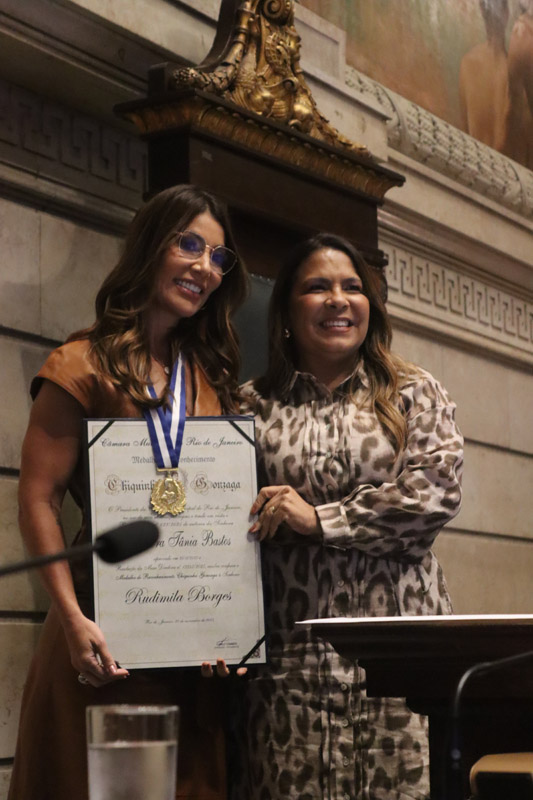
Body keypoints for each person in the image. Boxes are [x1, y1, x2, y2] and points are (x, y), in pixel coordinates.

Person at [9, 184, 248, 800]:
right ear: (150, 245)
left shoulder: (210, 380)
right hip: (99, 641)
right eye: (189, 244)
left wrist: (225, 626)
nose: (204, 268)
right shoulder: (79, 364)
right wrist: (70, 620)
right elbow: (38, 497)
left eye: (218, 258)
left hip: (186, 659)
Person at [236, 234, 463, 800]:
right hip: (291, 669)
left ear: (371, 307)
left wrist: (320, 520)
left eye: (352, 287)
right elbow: (224, 527)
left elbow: (434, 494)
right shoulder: (249, 408)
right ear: (286, 312)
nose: (338, 299)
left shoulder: (414, 392)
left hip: (399, 666)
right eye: (317, 287)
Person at [459, 0, 510, 151]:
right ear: (507, 14)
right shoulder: (511, 71)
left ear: (481, 11)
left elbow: (463, 133)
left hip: (475, 165)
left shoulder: (468, 63)